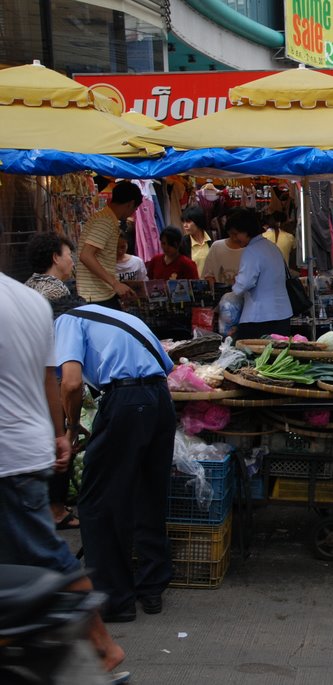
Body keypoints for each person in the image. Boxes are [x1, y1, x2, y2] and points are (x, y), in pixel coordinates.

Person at [0, 274, 128, 682]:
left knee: (42, 554)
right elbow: (49, 381)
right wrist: (59, 433)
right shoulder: (30, 300)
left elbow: (63, 381)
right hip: (28, 445)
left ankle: (101, 643)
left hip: (7, 458)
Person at [54, 300, 176, 625]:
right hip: (160, 399)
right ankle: (151, 589)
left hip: (126, 400)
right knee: (148, 493)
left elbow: (70, 382)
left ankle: (114, 601)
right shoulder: (120, 317)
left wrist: (70, 426)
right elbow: (166, 366)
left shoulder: (66, 321)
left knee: (97, 502)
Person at [24, 233, 81, 530]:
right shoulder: (56, 291)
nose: (72, 259)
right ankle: (56, 508)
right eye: (68, 253)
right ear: (56, 258)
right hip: (53, 372)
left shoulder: (26, 286)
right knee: (63, 436)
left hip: (25, 376)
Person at [226, 208, 292, 339]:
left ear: (247, 231)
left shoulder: (251, 251)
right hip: (282, 314)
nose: (233, 239)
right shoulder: (272, 247)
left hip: (259, 317)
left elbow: (244, 284)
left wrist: (235, 282)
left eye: (235, 234)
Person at [77, 180, 142, 309]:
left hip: (101, 293)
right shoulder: (104, 221)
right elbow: (86, 255)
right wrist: (114, 283)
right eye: (135, 209)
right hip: (96, 295)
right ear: (131, 204)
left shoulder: (107, 218)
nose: (133, 213)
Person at [25, 232, 75, 302]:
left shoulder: (28, 285)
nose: (73, 263)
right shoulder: (57, 291)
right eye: (70, 255)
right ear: (55, 258)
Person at [202, 223, 246, 288]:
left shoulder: (253, 249)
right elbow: (208, 276)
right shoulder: (217, 246)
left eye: (238, 234)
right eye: (233, 234)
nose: (235, 238)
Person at [181, 207, 212, 274]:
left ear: (198, 222)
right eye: (183, 222)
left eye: (188, 222)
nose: (185, 225)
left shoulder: (213, 238)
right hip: (194, 283)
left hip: (214, 283)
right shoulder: (183, 243)